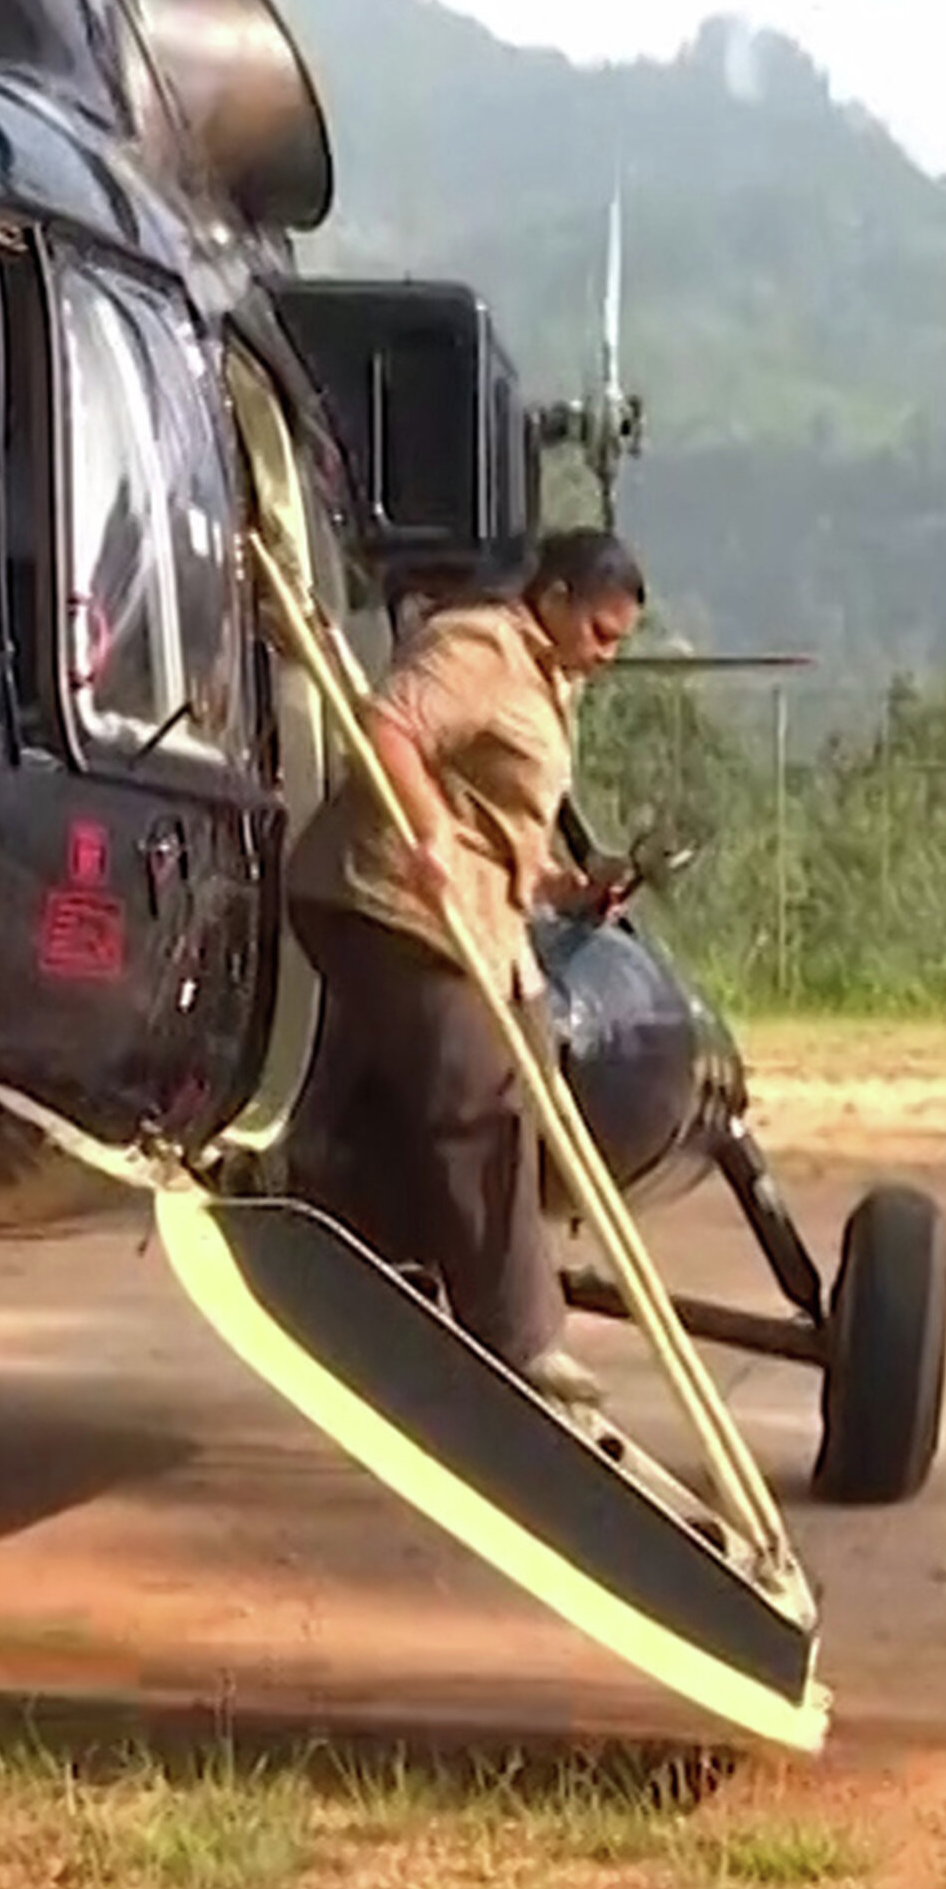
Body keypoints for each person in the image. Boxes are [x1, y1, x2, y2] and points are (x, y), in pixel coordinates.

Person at [275, 525, 649, 1408]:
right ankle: (516, 1340)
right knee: (477, 1086)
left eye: (617, 643)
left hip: (483, 922)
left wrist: (565, 884)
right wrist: (429, 828)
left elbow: (500, 821)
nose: (604, 657)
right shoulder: (479, 645)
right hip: (385, 899)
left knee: (535, 1081)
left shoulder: (551, 682)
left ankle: (436, 1270)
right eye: (598, 632)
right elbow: (389, 726)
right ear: (552, 599)